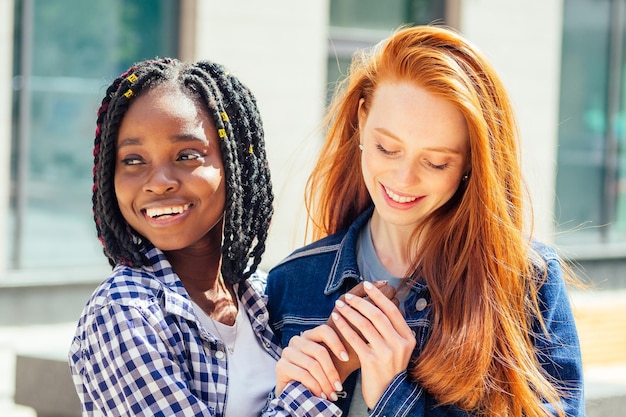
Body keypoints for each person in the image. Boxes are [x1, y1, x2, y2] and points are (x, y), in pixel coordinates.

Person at [266, 25, 585, 417]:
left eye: (436, 162)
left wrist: (393, 397)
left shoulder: (526, 283)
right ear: (362, 121)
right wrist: (290, 398)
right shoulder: (293, 282)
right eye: (387, 147)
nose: (403, 180)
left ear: (472, 160)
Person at [67, 57, 339, 416]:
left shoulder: (260, 295)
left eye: (187, 155)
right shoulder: (125, 313)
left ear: (235, 165)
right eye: (133, 160)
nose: (159, 181)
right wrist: (317, 381)